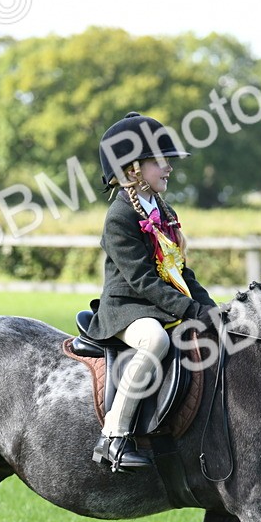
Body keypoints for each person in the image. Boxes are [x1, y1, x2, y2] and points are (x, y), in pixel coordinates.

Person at [86, 112, 218, 472]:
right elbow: (143, 280)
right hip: (127, 310)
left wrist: (211, 308)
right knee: (156, 342)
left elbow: (180, 270)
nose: (169, 169)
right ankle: (113, 436)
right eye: (160, 162)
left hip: (159, 305)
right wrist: (190, 311)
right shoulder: (120, 218)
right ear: (132, 168)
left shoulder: (162, 209)